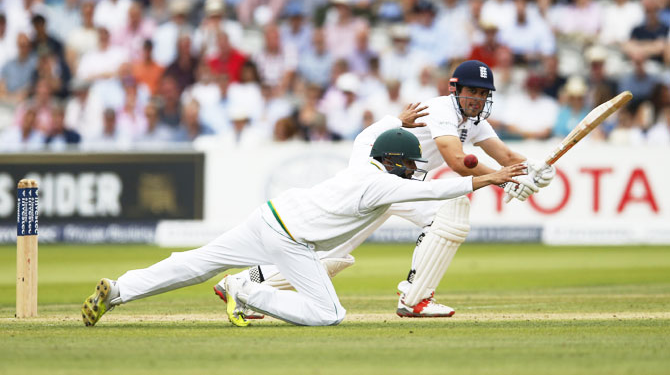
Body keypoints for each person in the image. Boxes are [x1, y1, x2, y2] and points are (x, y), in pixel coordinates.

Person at [82, 105, 526, 327]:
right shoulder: (384, 183)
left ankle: (119, 289)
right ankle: (245, 289)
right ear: (395, 162)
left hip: (268, 217)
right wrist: (494, 177)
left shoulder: (364, 162)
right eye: (408, 165)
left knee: (198, 262)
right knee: (329, 313)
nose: (413, 171)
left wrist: (397, 118)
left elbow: (372, 133)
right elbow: (440, 189)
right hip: (291, 241)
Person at [217, 60, 557, 318]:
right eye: (472, 92)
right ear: (456, 90)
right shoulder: (440, 110)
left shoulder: (475, 121)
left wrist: (534, 170)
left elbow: (509, 156)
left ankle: (245, 285)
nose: (477, 99)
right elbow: (457, 160)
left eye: (483, 94)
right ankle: (415, 298)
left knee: (334, 253)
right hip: (378, 166)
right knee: (450, 209)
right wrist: (510, 178)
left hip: (404, 174)